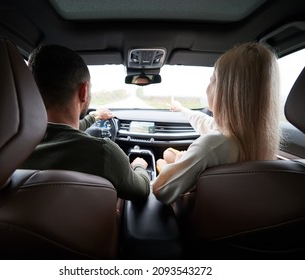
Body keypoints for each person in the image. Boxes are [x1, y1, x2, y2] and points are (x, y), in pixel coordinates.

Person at [153, 42, 281, 205]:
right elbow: (204, 122)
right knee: (170, 154)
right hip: (227, 212)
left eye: (213, 80)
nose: (207, 87)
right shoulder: (254, 140)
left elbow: (160, 189)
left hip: (190, 214)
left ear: (229, 91)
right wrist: (182, 109)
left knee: (161, 161)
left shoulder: (212, 146)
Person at [21, 44, 150, 201]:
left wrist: (94, 116)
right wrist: (139, 166)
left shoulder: (6, 148)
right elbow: (142, 190)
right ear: (83, 91)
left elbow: (62, 131)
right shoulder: (103, 153)